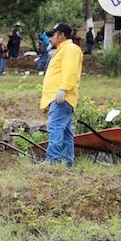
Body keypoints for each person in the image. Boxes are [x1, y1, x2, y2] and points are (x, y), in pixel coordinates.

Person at [40, 22, 83, 166]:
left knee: (55, 127)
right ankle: (66, 162)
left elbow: (70, 71)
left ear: (61, 35)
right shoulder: (61, 49)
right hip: (58, 97)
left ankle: (52, 160)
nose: (50, 38)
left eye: (52, 35)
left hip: (61, 97)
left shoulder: (70, 49)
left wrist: (63, 89)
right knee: (64, 131)